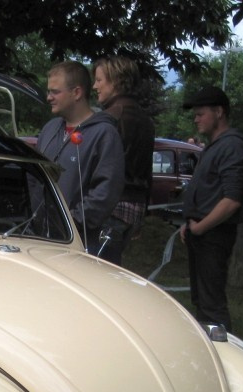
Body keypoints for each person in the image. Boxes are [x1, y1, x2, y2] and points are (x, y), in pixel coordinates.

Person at [178, 85, 243, 332]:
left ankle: (221, 347)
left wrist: (201, 227)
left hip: (214, 236)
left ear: (219, 112)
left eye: (201, 114)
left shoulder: (232, 146)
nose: (196, 119)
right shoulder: (215, 146)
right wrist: (189, 223)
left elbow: (231, 200)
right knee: (202, 300)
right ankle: (207, 343)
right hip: (201, 234)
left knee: (212, 304)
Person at [36, 60, 124, 256]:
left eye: (55, 92)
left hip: (81, 245)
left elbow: (105, 192)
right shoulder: (49, 129)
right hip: (40, 239)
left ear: (77, 93)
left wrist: (70, 222)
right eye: (49, 91)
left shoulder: (104, 134)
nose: (49, 97)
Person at [91, 55, 155, 265]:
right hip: (135, 206)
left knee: (95, 269)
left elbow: (98, 166)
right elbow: (147, 170)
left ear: (117, 81)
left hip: (110, 205)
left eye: (99, 80)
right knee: (109, 266)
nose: (94, 86)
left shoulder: (110, 117)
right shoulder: (145, 119)